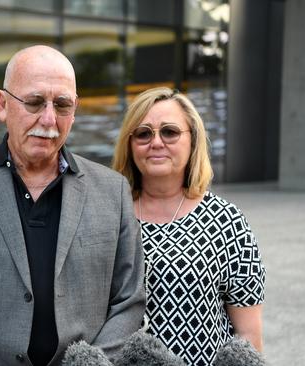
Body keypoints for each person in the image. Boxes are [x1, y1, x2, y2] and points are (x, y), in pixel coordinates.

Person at [0, 45, 145, 366]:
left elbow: (129, 301)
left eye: (62, 104)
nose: (49, 119)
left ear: (75, 110)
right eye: (35, 102)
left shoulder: (112, 190)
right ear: (2, 104)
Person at [112, 87, 266, 366]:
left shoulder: (227, 221)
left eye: (169, 132)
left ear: (193, 140)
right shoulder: (110, 215)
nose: (156, 142)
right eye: (144, 133)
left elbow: (248, 336)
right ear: (130, 143)